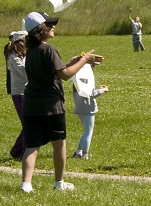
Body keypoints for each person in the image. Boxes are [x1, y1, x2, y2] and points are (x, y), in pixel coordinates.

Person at [19, 11, 103, 193]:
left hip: (32, 104)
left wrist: (74, 62)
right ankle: (59, 183)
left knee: (32, 145)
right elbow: (64, 75)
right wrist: (85, 60)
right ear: (40, 30)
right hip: (51, 105)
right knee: (59, 143)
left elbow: (55, 69)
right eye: (49, 25)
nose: (52, 27)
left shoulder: (31, 51)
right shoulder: (49, 49)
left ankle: (26, 184)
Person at [72, 68, 108, 160]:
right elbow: (92, 94)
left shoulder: (77, 84)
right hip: (88, 109)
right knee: (89, 132)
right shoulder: (87, 84)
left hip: (80, 110)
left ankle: (78, 151)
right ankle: (85, 155)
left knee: (86, 131)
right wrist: (102, 90)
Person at [4, 31, 28, 160]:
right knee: (28, 124)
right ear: (21, 42)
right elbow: (25, 72)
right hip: (19, 93)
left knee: (28, 123)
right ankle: (22, 153)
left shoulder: (23, 55)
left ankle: (16, 151)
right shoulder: (13, 56)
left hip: (26, 91)